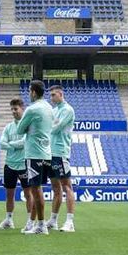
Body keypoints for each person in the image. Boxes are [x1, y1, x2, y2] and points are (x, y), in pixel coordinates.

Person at [17, 80, 55, 235]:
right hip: (47, 153)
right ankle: (37, 223)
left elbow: (20, 129)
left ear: (33, 92)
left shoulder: (32, 109)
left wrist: (28, 128)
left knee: (36, 189)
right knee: (38, 189)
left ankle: (40, 225)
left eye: (29, 91)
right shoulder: (49, 108)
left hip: (34, 154)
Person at [48, 84, 77, 233]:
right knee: (55, 188)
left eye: (53, 95)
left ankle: (70, 222)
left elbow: (55, 128)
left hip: (60, 152)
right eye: (50, 95)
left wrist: (44, 129)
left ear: (60, 94)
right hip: (50, 153)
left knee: (67, 187)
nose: (51, 98)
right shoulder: (54, 110)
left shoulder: (67, 110)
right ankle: (53, 220)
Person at [0, 97, 26, 229]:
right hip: (10, 164)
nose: (14, 111)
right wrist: (14, 145)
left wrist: (10, 144)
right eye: (12, 109)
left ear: (22, 109)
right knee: (9, 194)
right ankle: (9, 220)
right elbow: (2, 144)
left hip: (24, 164)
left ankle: (30, 221)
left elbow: (24, 142)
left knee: (29, 194)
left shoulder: (27, 126)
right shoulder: (8, 127)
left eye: (16, 109)